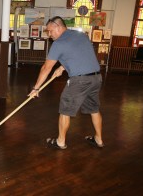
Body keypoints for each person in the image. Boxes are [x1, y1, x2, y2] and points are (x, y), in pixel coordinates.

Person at [28, 16, 104, 149]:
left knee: (65, 111)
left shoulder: (58, 43)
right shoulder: (80, 35)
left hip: (79, 81)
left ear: (58, 27)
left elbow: (46, 68)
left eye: (50, 31)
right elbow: (80, 54)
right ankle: (98, 139)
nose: (49, 34)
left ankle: (60, 142)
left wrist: (36, 88)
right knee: (94, 109)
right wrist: (62, 67)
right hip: (96, 78)